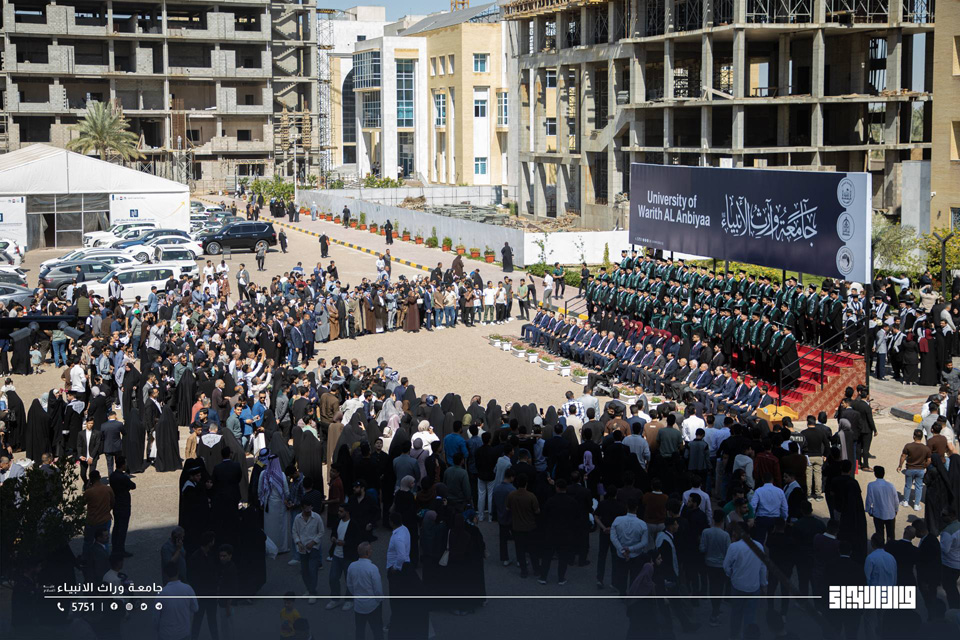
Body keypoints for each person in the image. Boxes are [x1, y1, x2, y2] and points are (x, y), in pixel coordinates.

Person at [346, 541, 384, 640]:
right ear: (367, 553)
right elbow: (378, 588)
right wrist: (379, 600)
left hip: (358, 606)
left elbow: (349, 585)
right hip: (372, 605)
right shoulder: (372, 568)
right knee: (377, 630)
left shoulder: (352, 566)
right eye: (370, 550)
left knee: (359, 631)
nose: (372, 551)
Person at [154, 561, 198, 640]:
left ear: (166, 575)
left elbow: (156, 618)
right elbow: (195, 608)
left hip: (166, 634)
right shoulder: (188, 589)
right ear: (178, 572)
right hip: (184, 633)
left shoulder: (161, 594)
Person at [292, 502, 325, 604]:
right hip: (302, 548)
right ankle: (309, 589)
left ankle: (313, 592)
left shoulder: (317, 517)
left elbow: (321, 532)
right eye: (306, 508)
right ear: (302, 508)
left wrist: (313, 542)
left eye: (310, 508)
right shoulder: (297, 518)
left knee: (312, 570)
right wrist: (298, 542)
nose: (308, 511)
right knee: (304, 570)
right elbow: (294, 531)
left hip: (313, 547)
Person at [109, 456, 136, 557]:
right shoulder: (123, 477)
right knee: (123, 528)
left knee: (116, 527)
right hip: (124, 504)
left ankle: (115, 548)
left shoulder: (112, 476)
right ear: (123, 465)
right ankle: (120, 549)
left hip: (116, 504)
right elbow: (133, 486)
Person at [897, 428, 930, 511]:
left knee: (908, 485)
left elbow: (903, 456)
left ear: (914, 436)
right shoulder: (926, 448)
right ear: (922, 437)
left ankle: (905, 501)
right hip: (920, 470)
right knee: (919, 487)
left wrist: (900, 466)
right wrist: (925, 466)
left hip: (910, 468)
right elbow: (929, 460)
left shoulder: (908, 446)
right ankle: (916, 504)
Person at [864, 466, 898, 545]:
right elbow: (896, 500)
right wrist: (896, 510)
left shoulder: (871, 485)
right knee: (891, 535)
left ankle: (880, 547)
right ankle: (890, 549)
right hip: (890, 513)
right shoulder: (891, 485)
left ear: (875, 474)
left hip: (878, 514)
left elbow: (869, 499)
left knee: (879, 535)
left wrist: (868, 510)